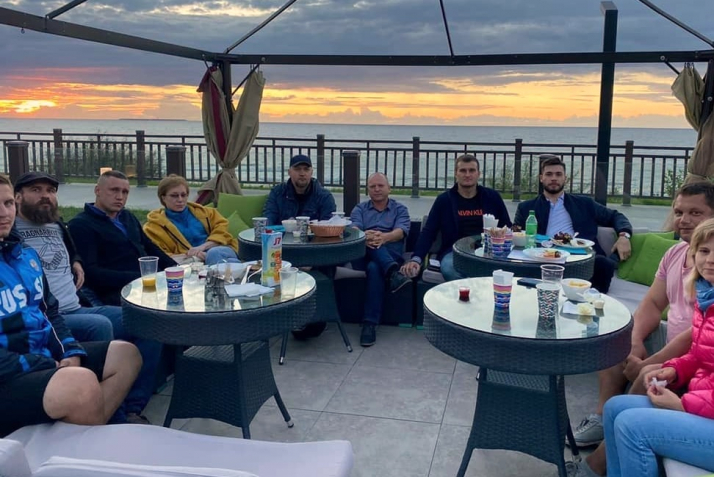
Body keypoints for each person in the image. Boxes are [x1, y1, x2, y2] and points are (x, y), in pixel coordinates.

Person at [566, 181, 714, 476]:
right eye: (679, 212)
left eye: (695, 213)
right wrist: (633, 341)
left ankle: (595, 465)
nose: (684, 220)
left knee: (643, 384)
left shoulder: (707, 280)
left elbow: (694, 339)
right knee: (613, 344)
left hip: (693, 370)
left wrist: (654, 364)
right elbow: (653, 304)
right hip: (688, 358)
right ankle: (601, 418)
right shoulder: (681, 259)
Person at [14, 171, 162, 424]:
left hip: (76, 307)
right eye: (36, 190)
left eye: (50, 191)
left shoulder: (57, 226)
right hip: (51, 318)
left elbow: (72, 252)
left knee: (148, 320)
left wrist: (76, 260)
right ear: (18, 197)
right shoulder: (12, 230)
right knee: (100, 325)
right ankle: (114, 418)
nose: (45, 196)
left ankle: (133, 405)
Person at [599, 217, 714, 477]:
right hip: (704, 403)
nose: (710, 260)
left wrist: (683, 405)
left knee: (631, 426)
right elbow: (700, 356)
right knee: (615, 408)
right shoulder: (707, 299)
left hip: (702, 410)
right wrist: (673, 370)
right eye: (704, 251)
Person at [514, 155, 633, 293]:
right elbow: (516, 233)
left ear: (565, 178)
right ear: (541, 178)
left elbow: (615, 216)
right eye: (549, 174)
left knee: (603, 264)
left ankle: (589, 299)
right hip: (542, 258)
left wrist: (624, 236)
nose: (554, 178)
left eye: (558, 174)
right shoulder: (526, 208)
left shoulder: (584, 204)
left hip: (581, 259)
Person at [68, 171, 175, 306]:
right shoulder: (81, 225)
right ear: (97, 191)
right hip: (118, 293)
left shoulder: (127, 216)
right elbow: (91, 273)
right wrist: (139, 278)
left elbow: (149, 246)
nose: (120, 197)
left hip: (149, 284)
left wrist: (174, 268)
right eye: (114, 190)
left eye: (125, 192)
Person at [401, 154, 511, 281]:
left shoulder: (492, 197)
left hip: (488, 252)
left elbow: (507, 227)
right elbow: (429, 232)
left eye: (472, 170)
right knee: (449, 269)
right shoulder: (444, 200)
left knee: (502, 271)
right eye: (463, 170)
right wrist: (416, 258)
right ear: (456, 174)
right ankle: (472, 291)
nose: (467, 175)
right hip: (454, 252)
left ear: (478, 174)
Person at [350, 173, 411, 347]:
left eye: (380, 186)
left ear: (389, 188)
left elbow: (401, 231)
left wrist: (383, 237)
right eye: (372, 186)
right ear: (367, 190)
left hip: (391, 252)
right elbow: (354, 229)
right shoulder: (359, 209)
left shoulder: (400, 209)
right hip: (362, 253)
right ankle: (393, 273)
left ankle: (369, 324)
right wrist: (365, 236)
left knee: (375, 267)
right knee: (369, 244)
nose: (376, 189)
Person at [144, 175, 239, 265]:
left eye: (183, 195)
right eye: (174, 196)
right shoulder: (154, 227)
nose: (180, 199)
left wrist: (202, 247)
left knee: (214, 253)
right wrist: (194, 255)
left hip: (220, 250)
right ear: (163, 198)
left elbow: (223, 232)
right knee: (229, 262)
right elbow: (160, 254)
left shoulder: (207, 213)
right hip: (190, 260)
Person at [263, 154, 336, 224]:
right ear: (289, 172)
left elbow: (329, 225)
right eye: (297, 169)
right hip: (282, 232)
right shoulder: (277, 192)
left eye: (306, 169)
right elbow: (268, 219)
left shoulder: (324, 196)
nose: (302, 173)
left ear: (311, 172)